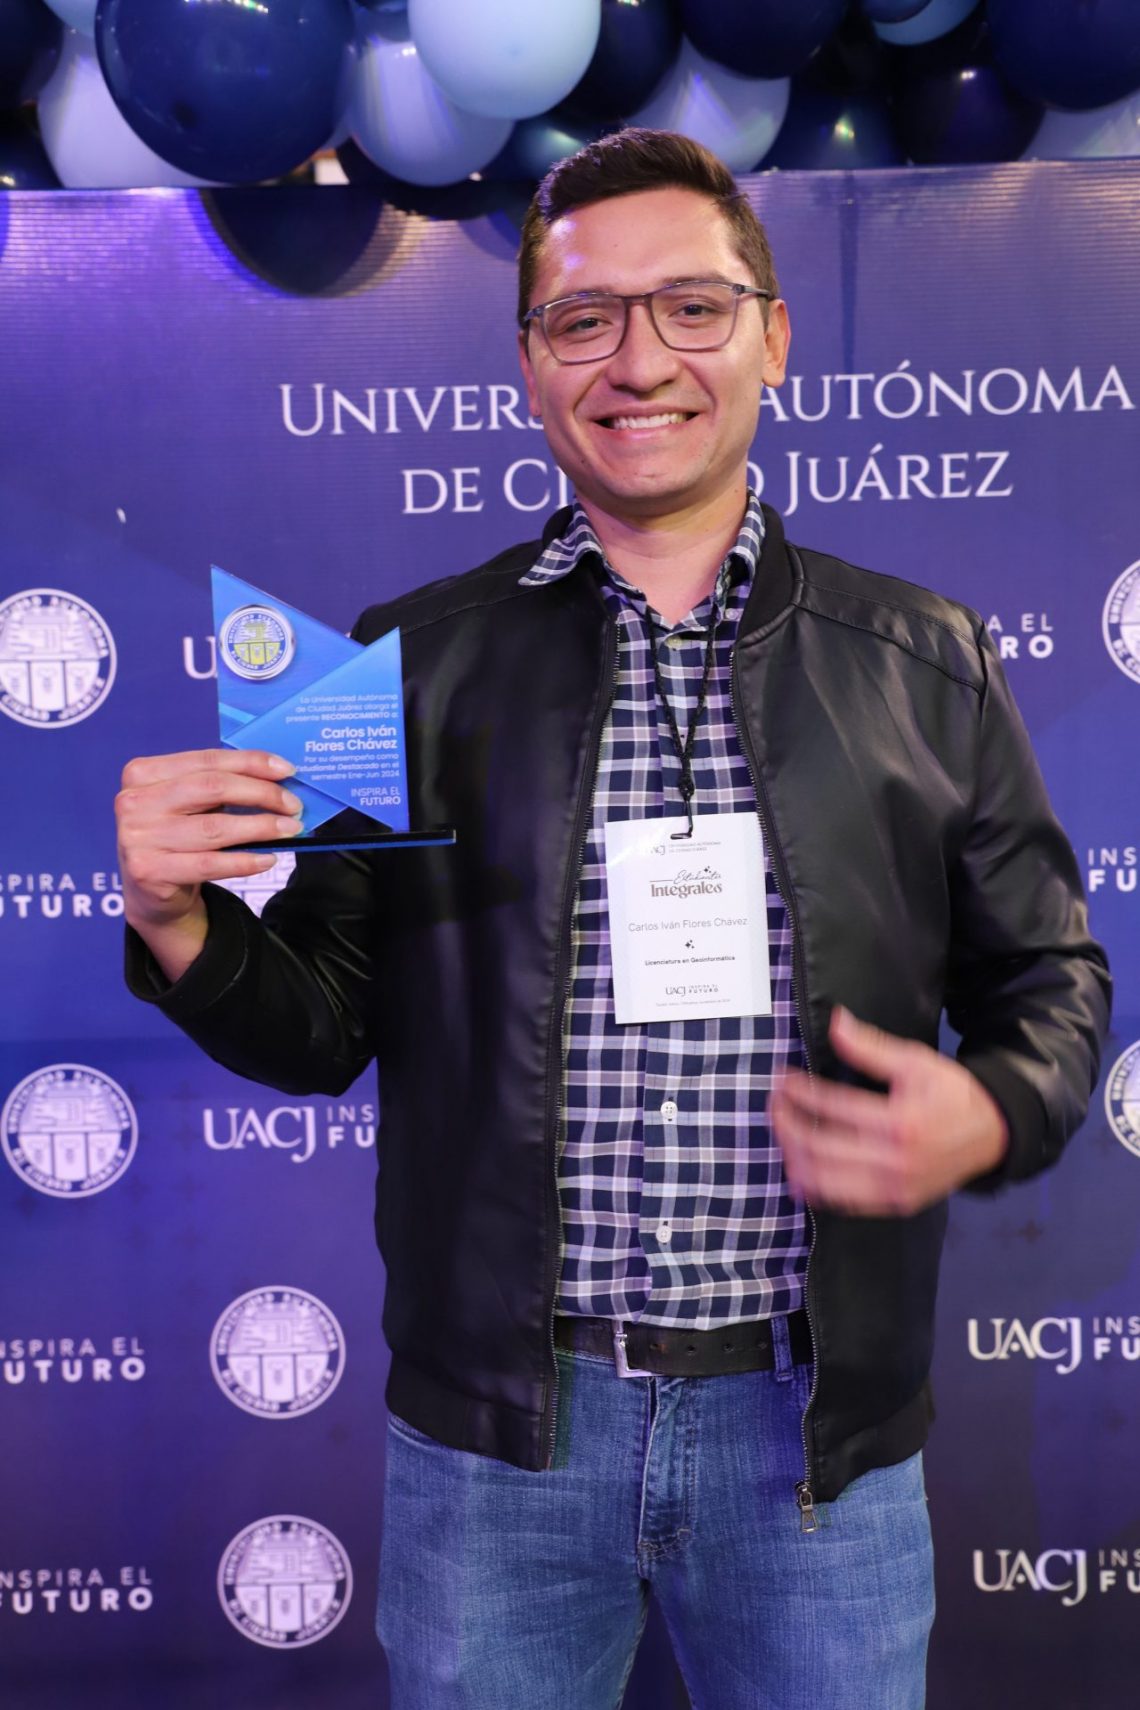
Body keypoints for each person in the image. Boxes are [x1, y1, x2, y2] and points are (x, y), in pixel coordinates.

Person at [117, 129, 1110, 1709]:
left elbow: (1051, 983)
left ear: (774, 337)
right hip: (500, 1441)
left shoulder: (928, 657)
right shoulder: (395, 660)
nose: (639, 360)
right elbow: (320, 1025)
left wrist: (986, 1106)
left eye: (692, 307)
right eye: (584, 318)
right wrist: (177, 919)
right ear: (530, 364)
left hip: (816, 1442)